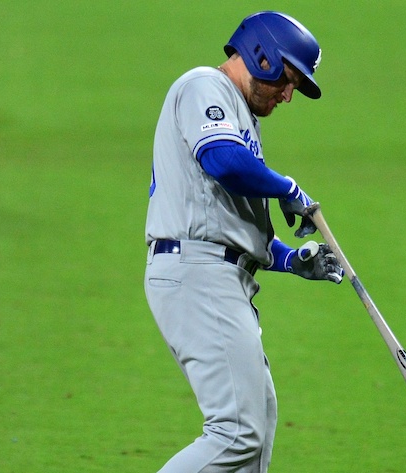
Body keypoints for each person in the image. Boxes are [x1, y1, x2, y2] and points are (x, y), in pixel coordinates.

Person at [144, 11, 344, 473]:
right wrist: (287, 188)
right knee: (236, 432)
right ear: (262, 56)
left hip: (218, 274)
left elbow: (229, 225)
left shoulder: (240, 118)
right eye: (288, 80)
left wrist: (292, 260)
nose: (288, 95)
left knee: (256, 430)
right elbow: (224, 163)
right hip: (198, 274)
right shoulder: (203, 87)